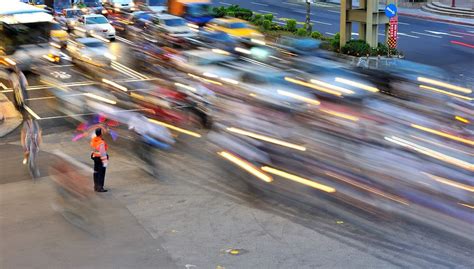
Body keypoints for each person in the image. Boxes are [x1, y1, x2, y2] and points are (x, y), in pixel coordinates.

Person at [90, 128, 109, 192]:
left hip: (95, 158)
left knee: (96, 172)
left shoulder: (94, 140)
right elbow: (103, 153)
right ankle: (100, 187)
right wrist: (105, 162)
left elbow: (93, 148)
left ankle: (96, 186)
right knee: (101, 173)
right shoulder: (101, 142)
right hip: (101, 159)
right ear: (101, 134)